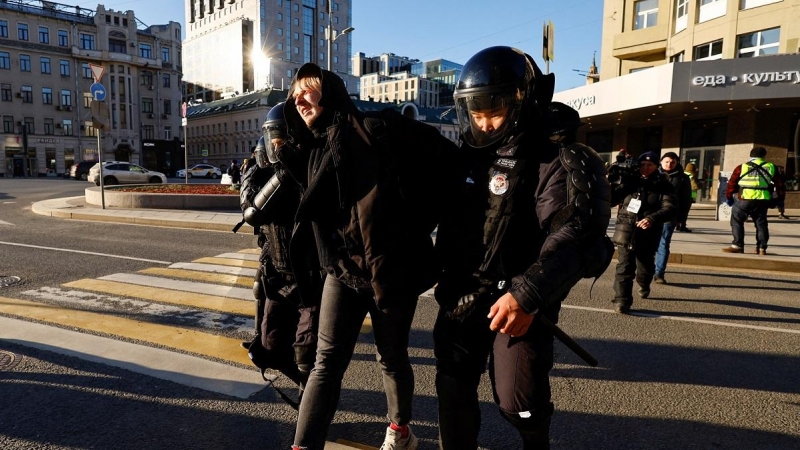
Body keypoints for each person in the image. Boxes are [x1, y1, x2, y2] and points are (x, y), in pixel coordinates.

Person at [433, 46, 614, 450]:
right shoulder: (466, 158)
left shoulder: (563, 159)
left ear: (522, 101)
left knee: (519, 402)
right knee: (452, 391)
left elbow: (578, 236)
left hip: (521, 300)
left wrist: (527, 295)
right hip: (463, 295)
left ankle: (537, 441)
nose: (485, 123)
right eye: (476, 114)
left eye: (493, 111)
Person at [279, 63, 460, 450]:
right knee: (326, 362)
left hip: (391, 270)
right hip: (342, 271)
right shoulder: (313, 147)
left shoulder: (376, 129)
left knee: (391, 357)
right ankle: (303, 446)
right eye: (294, 94)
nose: (298, 98)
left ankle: (400, 431)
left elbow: (448, 161)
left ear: (329, 92)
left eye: (307, 90)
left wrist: (418, 227)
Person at [238, 102, 321, 403]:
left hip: (312, 279)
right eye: (273, 139)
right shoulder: (264, 171)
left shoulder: (315, 167)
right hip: (278, 275)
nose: (277, 146)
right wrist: (270, 173)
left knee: (306, 351)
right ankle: (309, 388)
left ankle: (310, 405)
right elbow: (251, 212)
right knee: (270, 346)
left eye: (283, 139)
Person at [610, 151, 676, 313]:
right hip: (626, 229)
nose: (645, 168)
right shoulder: (630, 181)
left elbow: (670, 208)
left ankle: (644, 283)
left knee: (645, 267)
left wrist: (652, 219)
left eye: (649, 165)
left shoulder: (663, 184)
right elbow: (611, 200)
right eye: (642, 165)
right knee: (624, 267)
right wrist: (613, 181)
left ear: (656, 166)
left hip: (648, 233)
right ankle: (622, 301)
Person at [722, 146, 785, 255]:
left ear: (750, 155)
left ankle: (737, 245)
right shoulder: (771, 167)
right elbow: (780, 185)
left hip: (744, 198)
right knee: (761, 224)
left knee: (737, 221)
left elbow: (731, 184)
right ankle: (761, 248)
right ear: (764, 156)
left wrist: (728, 198)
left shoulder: (741, 167)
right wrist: (780, 200)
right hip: (762, 200)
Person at [654, 152, 693, 284]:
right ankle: (646, 268)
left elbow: (686, 199)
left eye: (672, 162)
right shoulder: (653, 174)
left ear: (677, 163)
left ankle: (659, 273)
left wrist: (682, 218)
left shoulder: (682, 178)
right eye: (666, 162)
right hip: (649, 215)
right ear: (661, 162)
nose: (669, 164)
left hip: (668, 216)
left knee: (663, 243)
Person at [677, 162, 699, 232]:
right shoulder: (691, 175)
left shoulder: (682, 174)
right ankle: (682, 226)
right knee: (685, 212)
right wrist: (700, 184)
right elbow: (695, 186)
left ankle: (678, 225)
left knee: (680, 210)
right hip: (689, 195)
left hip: (681, 195)